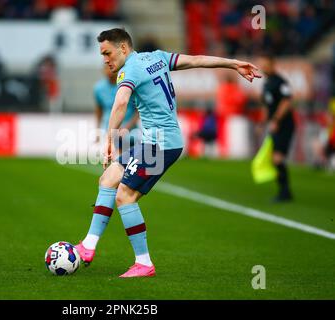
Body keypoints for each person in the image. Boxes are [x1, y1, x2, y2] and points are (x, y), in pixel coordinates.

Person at [75, 28, 261, 278]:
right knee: (108, 179)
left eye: (107, 53)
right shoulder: (157, 58)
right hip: (155, 141)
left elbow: (120, 103)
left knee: (125, 196)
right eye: (102, 55)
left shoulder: (129, 70)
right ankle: (88, 246)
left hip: (160, 144)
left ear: (123, 48)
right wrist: (233, 63)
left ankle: (143, 263)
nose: (105, 59)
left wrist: (110, 138)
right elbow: (196, 60)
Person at [257, 53, 295, 202]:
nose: (263, 67)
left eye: (265, 64)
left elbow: (286, 102)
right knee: (275, 159)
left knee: (277, 158)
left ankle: (285, 192)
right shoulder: (266, 84)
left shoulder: (280, 82)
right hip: (275, 125)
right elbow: (267, 106)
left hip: (284, 125)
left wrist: (276, 120)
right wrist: (262, 123)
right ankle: (284, 191)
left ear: (272, 64)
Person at [94, 64, 139, 155]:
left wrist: (127, 126)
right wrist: (98, 130)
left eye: (109, 67)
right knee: (118, 160)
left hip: (130, 131)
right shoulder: (99, 88)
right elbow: (99, 111)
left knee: (128, 160)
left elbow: (138, 110)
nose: (108, 70)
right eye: (105, 67)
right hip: (110, 130)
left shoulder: (128, 85)